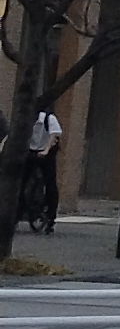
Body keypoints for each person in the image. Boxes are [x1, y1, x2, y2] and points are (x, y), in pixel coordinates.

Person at [19, 98, 62, 235]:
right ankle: (18, 210)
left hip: (46, 152)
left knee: (50, 183)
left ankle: (51, 216)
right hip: (31, 151)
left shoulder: (49, 119)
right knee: (20, 182)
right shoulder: (25, 121)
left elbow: (54, 135)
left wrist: (46, 150)